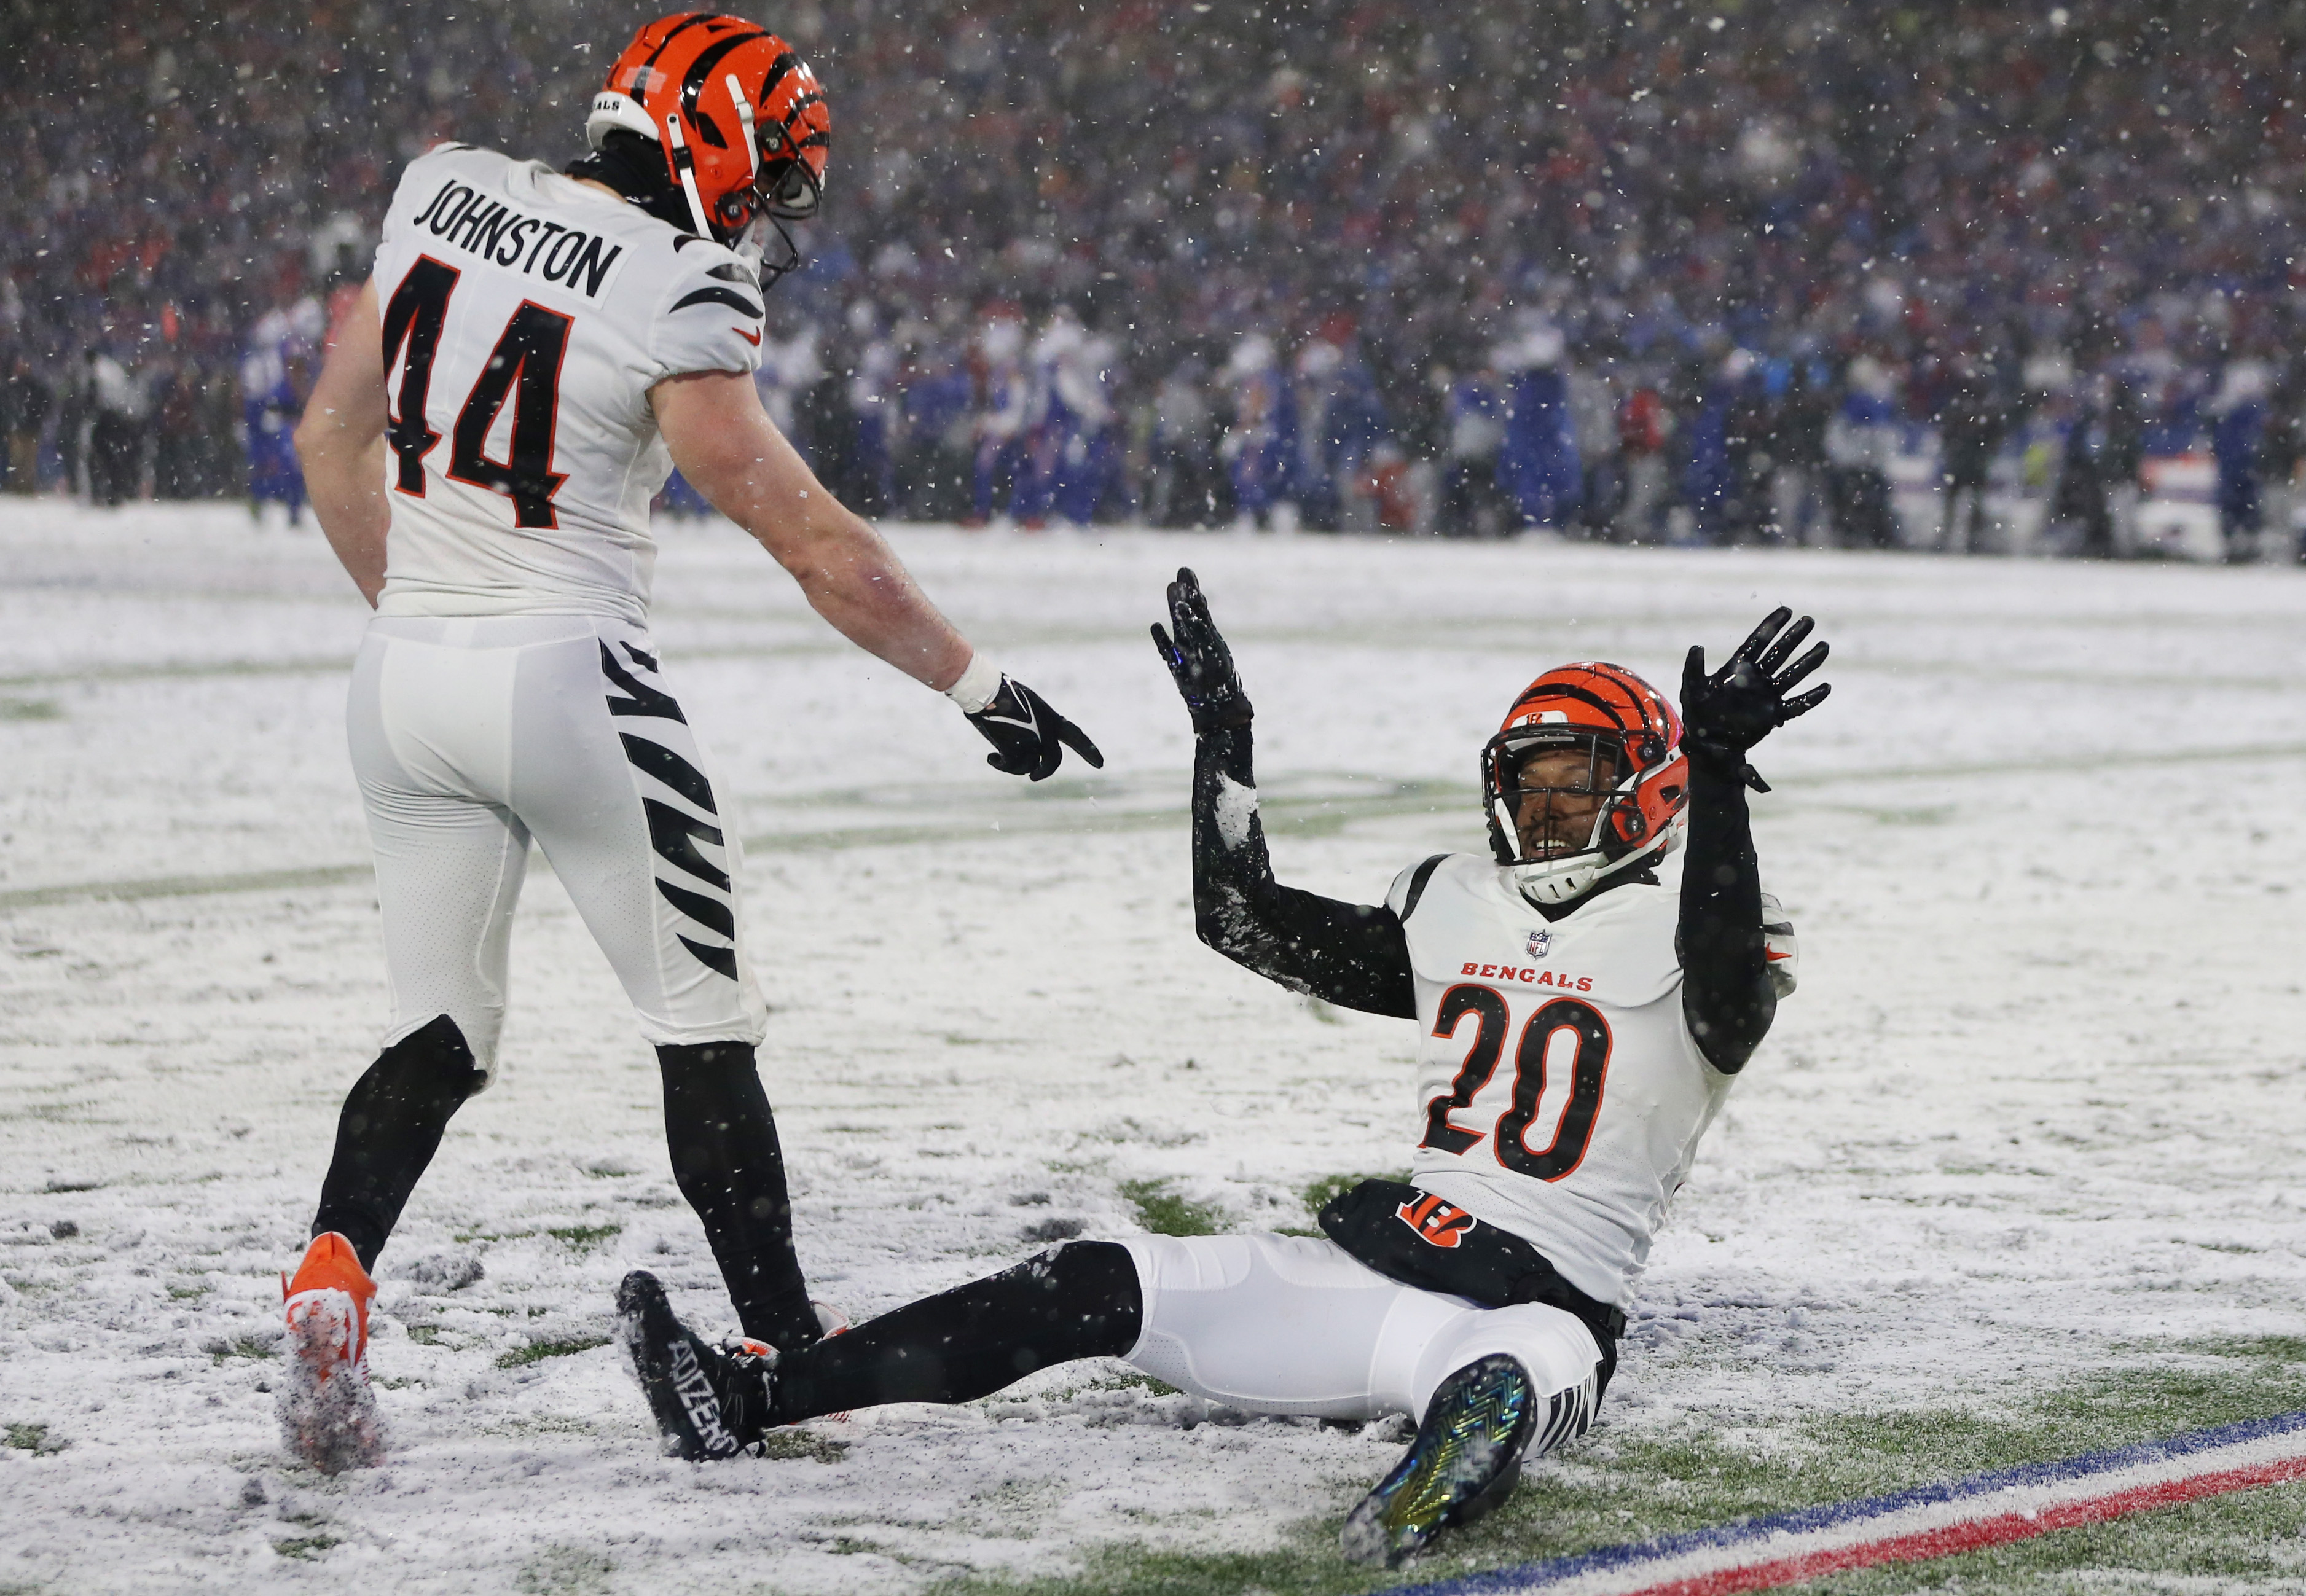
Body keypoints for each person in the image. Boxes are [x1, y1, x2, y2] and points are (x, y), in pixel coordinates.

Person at [616, 570, 1830, 1567]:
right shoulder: (1454, 899)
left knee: (1499, 1391)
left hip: (1539, 1309)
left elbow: (1723, 1007)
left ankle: (1401, 1525)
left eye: (1579, 783)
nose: (1550, 809)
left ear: (1650, 786)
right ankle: (750, 1402)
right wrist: (1223, 745)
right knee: (1089, 1279)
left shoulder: (1704, 923)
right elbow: (1242, 924)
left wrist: (1719, 770)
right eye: (1531, 782)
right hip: (1385, 1276)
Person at [276, 10, 1103, 1474]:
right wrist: (977, 687)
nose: (766, 207)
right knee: (701, 1028)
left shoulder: (438, 187)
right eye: (767, 169)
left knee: (438, 1033)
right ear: (709, 137)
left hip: (402, 676)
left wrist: (421, 608)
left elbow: (328, 441)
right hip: (566, 676)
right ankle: (788, 1342)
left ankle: (333, 1268)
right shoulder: (681, 283)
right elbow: (814, 545)